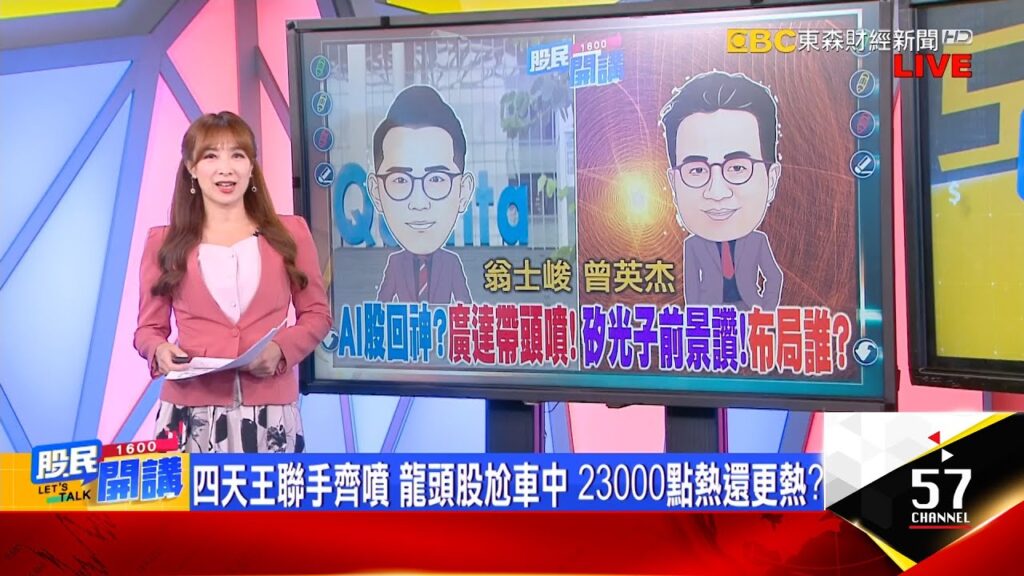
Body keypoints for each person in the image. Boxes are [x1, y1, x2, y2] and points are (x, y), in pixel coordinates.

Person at [134, 111, 331, 453]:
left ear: (251, 167)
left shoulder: (291, 234)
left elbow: (317, 315)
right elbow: (147, 331)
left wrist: (281, 350)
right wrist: (159, 351)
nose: (226, 169)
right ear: (191, 168)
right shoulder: (163, 243)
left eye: (237, 155)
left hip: (271, 414)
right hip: (188, 414)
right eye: (211, 156)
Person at [660, 70, 784, 311]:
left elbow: (774, 277)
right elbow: (692, 288)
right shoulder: (692, 245)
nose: (716, 193)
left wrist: (766, 314)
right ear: (674, 184)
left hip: (751, 316)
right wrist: (698, 320)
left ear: (771, 180)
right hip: (709, 320)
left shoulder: (758, 241)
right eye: (697, 170)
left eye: (737, 168)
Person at [368, 84, 475, 304]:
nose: (419, 203)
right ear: (376, 192)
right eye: (400, 180)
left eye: (436, 179)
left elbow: (467, 308)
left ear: (464, 191)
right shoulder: (394, 264)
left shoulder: (452, 263)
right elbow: (378, 309)